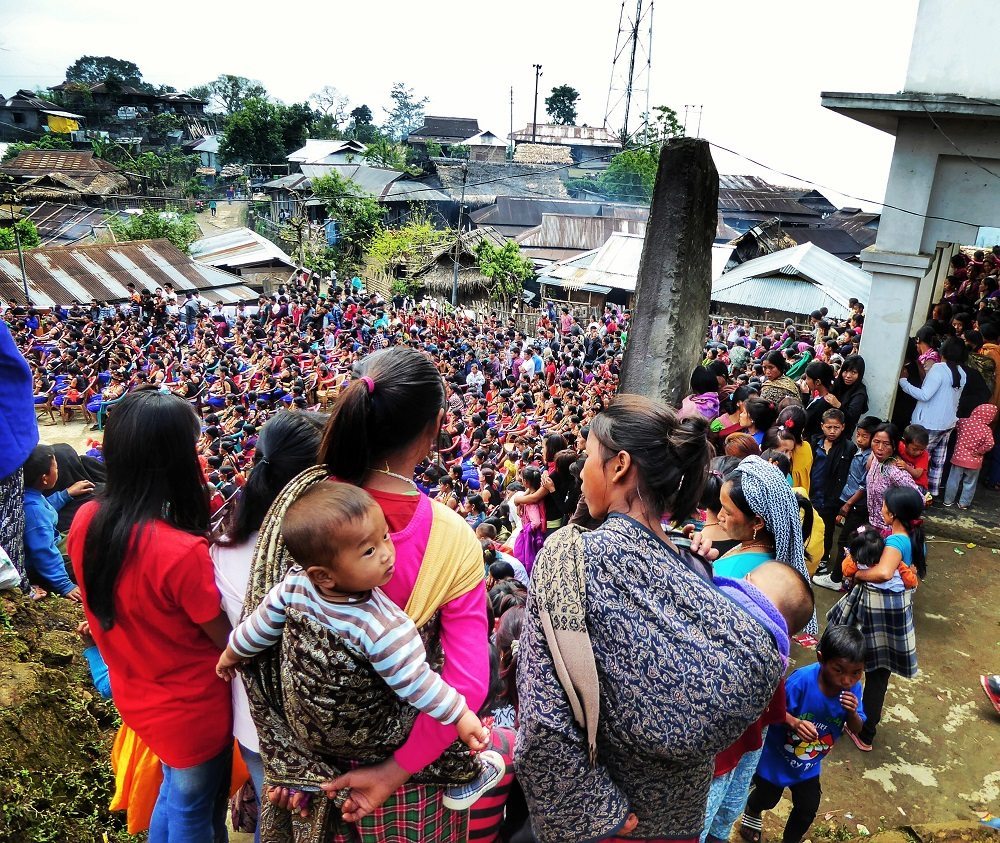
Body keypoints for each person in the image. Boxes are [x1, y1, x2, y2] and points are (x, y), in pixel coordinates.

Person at [241, 347, 489, 842]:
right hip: (409, 785)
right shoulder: (453, 538)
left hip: (309, 779)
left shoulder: (302, 506)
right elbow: (468, 685)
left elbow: (258, 643)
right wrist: (390, 773)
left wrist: (295, 761)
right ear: (435, 425)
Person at [517, 395, 785, 842]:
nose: (580, 470)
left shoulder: (570, 559)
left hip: (610, 820)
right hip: (677, 816)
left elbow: (544, 722)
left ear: (620, 465)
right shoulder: (695, 563)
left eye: (588, 456)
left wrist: (596, 812)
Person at [217, 483, 502, 810]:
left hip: (309, 733)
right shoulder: (380, 626)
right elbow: (417, 683)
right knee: (435, 744)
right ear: (323, 575)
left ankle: (311, 783)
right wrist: (460, 713)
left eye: (385, 537)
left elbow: (259, 625)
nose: (386, 553)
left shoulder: (295, 585)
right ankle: (466, 774)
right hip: (366, 740)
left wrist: (231, 653)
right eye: (368, 551)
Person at [67, 390, 234, 842]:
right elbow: (228, 642)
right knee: (195, 810)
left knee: (175, 796)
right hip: (191, 710)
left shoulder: (87, 518)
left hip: (137, 693)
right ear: (173, 460)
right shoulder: (181, 553)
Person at [211, 410, 326, 839]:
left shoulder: (224, 543)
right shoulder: (329, 557)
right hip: (315, 732)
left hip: (253, 724)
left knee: (275, 827)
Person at [739, 625, 866, 843]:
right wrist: (795, 723)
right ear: (821, 658)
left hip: (809, 764)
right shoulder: (800, 682)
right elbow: (770, 711)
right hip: (776, 758)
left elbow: (857, 728)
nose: (847, 680)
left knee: (807, 808)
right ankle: (752, 809)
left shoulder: (853, 689)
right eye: (839, 670)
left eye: (856, 673)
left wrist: (853, 713)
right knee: (767, 798)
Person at [827, 486, 925, 751]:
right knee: (879, 671)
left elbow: (882, 573)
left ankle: (861, 725)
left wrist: (856, 575)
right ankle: (866, 730)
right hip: (895, 610)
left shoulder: (895, 542)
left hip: (876, 610)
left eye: (884, 505)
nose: (881, 508)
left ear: (892, 513)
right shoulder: (911, 537)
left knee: (859, 662)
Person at [715, 455, 817, 634]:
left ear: (757, 522)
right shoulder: (775, 562)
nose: (719, 516)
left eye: (728, 512)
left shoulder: (730, 574)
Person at [813, 416, 881, 591]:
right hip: (848, 501)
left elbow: (863, 485)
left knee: (845, 540)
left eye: (864, 436)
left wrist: (848, 504)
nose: (859, 439)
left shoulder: (870, 459)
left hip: (858, 505)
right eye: (858, 435)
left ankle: (837, 578)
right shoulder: (860, 452)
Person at [21, 444, 94, 600]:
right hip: (45, 560)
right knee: (96, 559)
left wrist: (66, 494)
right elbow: (44, 553)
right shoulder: (35, 513)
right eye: (56, 468)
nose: (58, 471)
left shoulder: (29, 495)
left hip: (54, 540)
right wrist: (64, 585)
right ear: (45, 478)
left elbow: (46, 507)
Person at [898, 336, 966, 498]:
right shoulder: (962, 372)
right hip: (948, 424)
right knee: (937, 462)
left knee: (917, 460)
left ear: (944, 351)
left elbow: (924, 395)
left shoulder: (938, 369)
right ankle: (932, 493)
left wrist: (903, 382)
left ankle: (914, 493)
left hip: (928, 424)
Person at [865, 424, 920, 536]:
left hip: (890, 530)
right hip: (873, 524)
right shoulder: (876, 459)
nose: (880, 448)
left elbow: (919, 499)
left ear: (894, 446)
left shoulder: (896, 471)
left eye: (886, 444)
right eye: (876, 442)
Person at [943, 403, 997, 509]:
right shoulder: (987, 430)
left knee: (953, 480)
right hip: (974, 461)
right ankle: (964, 503)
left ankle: (948, 500)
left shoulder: (963, 422)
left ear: (975, 411)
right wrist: (980, 451)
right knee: (970, 483)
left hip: (958, 458)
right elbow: (990, 444)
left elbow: (952, 424)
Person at [841, 526, 918, 591]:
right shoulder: (896, 563)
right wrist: (913, 573)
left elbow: (846, 571)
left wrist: (850, 557)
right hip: (895, 603)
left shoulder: (858, 564)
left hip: (868, 600)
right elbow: (911, 584)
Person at [827, 355, 869, 433]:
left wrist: (838, 405)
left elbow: (852, 419)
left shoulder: (859, 394)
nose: (848, 376)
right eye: (846, 371)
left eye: (853, 372)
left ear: (860, 374)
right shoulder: (838, 383)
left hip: (843, 435)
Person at [896, 424, 930, 489]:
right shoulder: (899, 446)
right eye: (915, 449)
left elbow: (917, 474)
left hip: (918, 484)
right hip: (903, 480)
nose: (919, 452)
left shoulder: (924, 455)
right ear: (905, 443)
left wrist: (906, 467)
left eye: (922, 449)